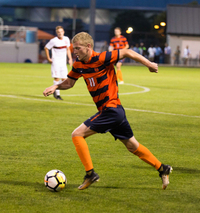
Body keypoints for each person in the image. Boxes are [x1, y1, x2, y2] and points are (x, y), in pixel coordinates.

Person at [43, 32, 172, 190]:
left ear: (88, 47)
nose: (74, 51)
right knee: (132, 146)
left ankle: (90, 174)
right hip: (114, 112)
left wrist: (149, 64)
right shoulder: (78, 65)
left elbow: (127, 52)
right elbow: (69, 83)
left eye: (77, 48)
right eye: (73, 48)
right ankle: (162, 169)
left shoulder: (102, 58)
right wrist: (56, 86)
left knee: (77, 134)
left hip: (111, 110)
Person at [44, 26, 72, 100]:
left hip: (63, 62)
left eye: (61, 32)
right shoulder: (54, 40)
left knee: (64, 79)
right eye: (58, 32)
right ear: (57, 33)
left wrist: (70, 59)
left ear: (63, 32)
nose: (60, 33)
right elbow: (46, 48)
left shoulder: (66, 39)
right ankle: (57, 94)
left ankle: (54, 89)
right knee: (57, 78)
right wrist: (48, 58)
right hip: (56, 61)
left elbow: (68, 49)